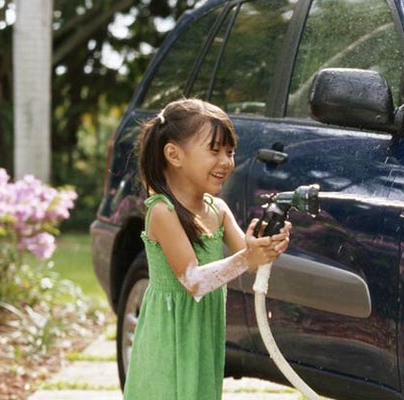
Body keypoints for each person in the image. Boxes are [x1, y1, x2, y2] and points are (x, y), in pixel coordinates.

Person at [123, 98, 291, 399]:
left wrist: (269, 245)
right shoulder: (163, 212)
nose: (226, 162)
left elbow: (250, 259)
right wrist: (247, 256)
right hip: (169, 335)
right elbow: (194, 281)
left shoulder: (218, 209)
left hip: (202, 333)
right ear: (174, 155)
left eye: (230, 152)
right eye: (214, 150)